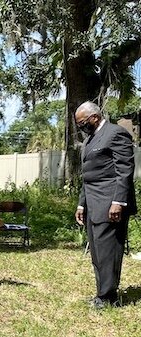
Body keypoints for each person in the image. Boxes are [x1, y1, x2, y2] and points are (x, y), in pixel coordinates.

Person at [74, 101, 137, 309]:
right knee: (98, 251)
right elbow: (87, 177)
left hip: (110, 203)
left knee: (109, 250)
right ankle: (101, 292)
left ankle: (108, 296)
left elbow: (124, 170)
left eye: (82, 122)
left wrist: (118, 202)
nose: (81, 127)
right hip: (93, 202)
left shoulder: (115, 133)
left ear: (94, 117)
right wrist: (82, 205)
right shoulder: (90, 140)